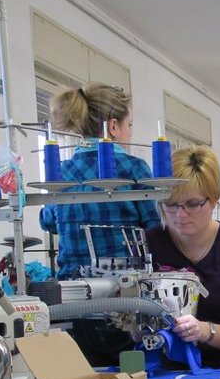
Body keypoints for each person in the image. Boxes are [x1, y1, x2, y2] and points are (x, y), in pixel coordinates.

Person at [144, 146, 220, 369]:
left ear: (214, 200)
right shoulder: (149, 245)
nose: (180, 214)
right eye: (170, 204)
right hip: (169, 371)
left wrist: (204, 331)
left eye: (192, 204)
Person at [38, 83, 160, 279]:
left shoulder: (61, 173)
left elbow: (48, 222)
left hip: (72, 287)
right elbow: (154, 227)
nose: (130, 133)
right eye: (129, 125)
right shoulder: (133, 168)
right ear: (113, 126)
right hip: (125, 286)